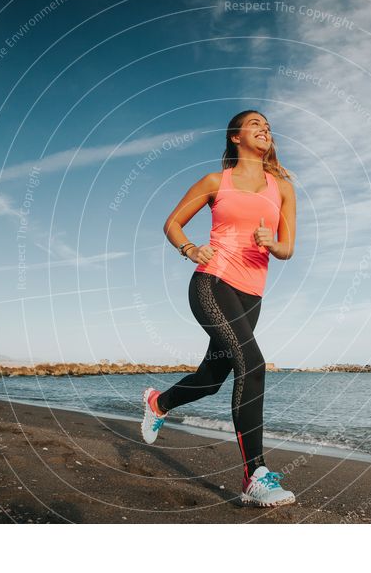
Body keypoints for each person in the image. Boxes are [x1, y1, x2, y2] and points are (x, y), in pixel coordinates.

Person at [141, 110, 297, 507]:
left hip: (251, 294)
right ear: (235, 137)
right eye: (255, 124)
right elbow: (172, 223)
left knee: (212, 378)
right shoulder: (216, 182)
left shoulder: (281, 187)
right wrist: (190, 248)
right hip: (212, 282)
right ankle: (255, 475)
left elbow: (287, 248)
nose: (264, 129)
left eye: (268, 126)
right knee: (253, 365)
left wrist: (270, 241)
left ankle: (159, 402)